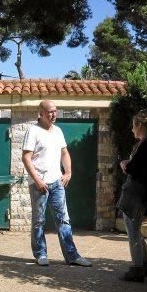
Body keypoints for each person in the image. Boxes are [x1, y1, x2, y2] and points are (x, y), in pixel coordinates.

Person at [21, 99, 93, 267]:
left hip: (56, 182)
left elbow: (65, 153)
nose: (54, 115)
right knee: (38, 220)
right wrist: (37, 180)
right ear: (41, 113)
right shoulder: (33, 131)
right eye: (50, 112)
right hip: (39, 184)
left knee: (64, 219)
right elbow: (26, 157)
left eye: (55, 111)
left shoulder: (58, 131)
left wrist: (68, 172)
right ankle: (41, 254)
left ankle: (72, 256)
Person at [117, 111, 147, 282]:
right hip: (139, 192)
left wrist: (125, 164)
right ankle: (143, 265)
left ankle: (137, 269)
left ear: (140, 126)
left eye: (134, 125)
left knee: (132, 231)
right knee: (136, 230)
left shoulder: (146, 145)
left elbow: (136, 169)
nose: (132, 129)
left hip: (136, 193)